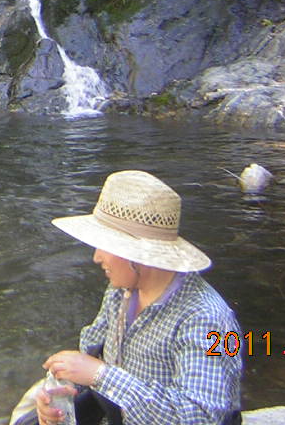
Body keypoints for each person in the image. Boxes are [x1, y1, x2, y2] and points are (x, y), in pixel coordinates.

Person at [24, 170, 242, 425]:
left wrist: (100, 375)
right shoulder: (121, 289)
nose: (96, 257)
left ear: (138, 255)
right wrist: (61, 392)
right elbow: (93, 349)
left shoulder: (209, 318)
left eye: (104, 245)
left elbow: (202, 416)